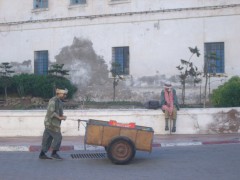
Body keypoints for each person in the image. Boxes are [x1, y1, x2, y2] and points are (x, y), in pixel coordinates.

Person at [39, 88, 68, 160]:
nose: (65, 95)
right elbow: (51, 112)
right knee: (58, 137)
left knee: (47, 139)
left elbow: (58, 111)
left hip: (52, 123)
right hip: (51, 123)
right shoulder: (53, 100)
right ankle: (54, 153)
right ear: (59, 94)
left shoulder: (59, 101)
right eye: (64, 94)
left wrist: (62, 116)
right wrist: (60, 118)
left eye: (65, 94)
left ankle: (42, 154)